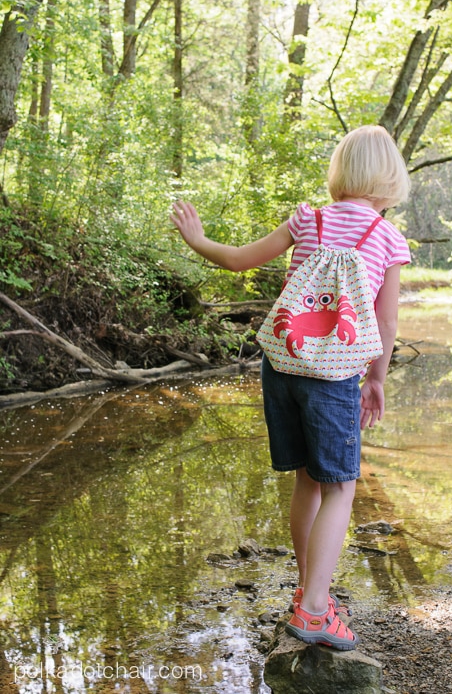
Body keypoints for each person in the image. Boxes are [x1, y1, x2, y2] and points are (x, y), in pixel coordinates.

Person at [170, 125, 411, 650]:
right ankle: (316, 610)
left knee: (306, 480)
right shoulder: (387, 239)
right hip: (334, 374)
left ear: (341, 170)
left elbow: (237, 260)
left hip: (282, 365)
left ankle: (308, 587)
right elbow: (386, 325)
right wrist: (375, 377)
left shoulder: (309, 219)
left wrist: (198, 239)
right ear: (390, 176)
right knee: (340, 487)